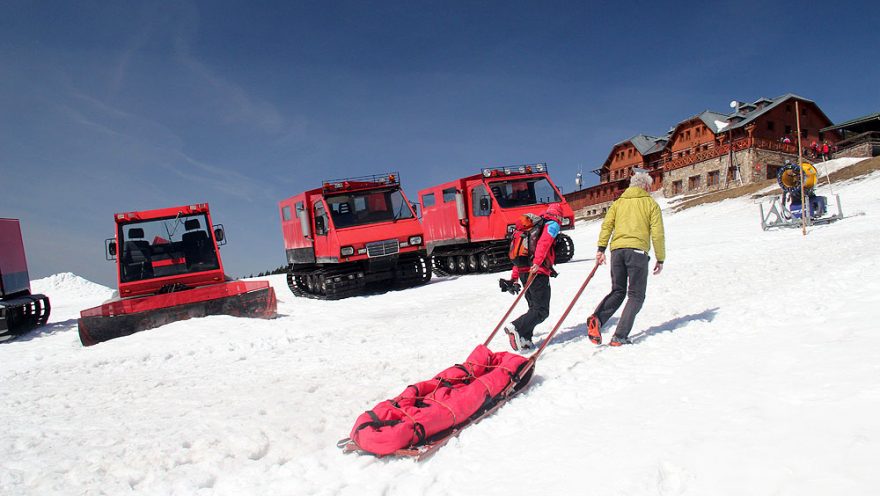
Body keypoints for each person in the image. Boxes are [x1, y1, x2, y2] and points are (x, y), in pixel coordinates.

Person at [586, 171, 665, 346]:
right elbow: (657, 234)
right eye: (649, 187)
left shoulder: (618, 203)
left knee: (618, 291)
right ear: (645, 186)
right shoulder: (650, 204)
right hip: (637, 252)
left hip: (617, 252)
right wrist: (660, 258)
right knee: (636, 295)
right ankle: (619, 336)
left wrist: (601, 249)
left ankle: (597, 319)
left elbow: (607, 226)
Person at [503, 203, 562, 351]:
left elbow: (520, 256)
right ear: (558, 214)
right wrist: (537, 263)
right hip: (537, 272)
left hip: (525, 272)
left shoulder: (531, 228)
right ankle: (515, 327)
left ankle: (525, 339)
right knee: (541, 311)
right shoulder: (551, 225)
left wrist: (515, 277)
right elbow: (544, 243)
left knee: (533, 309)